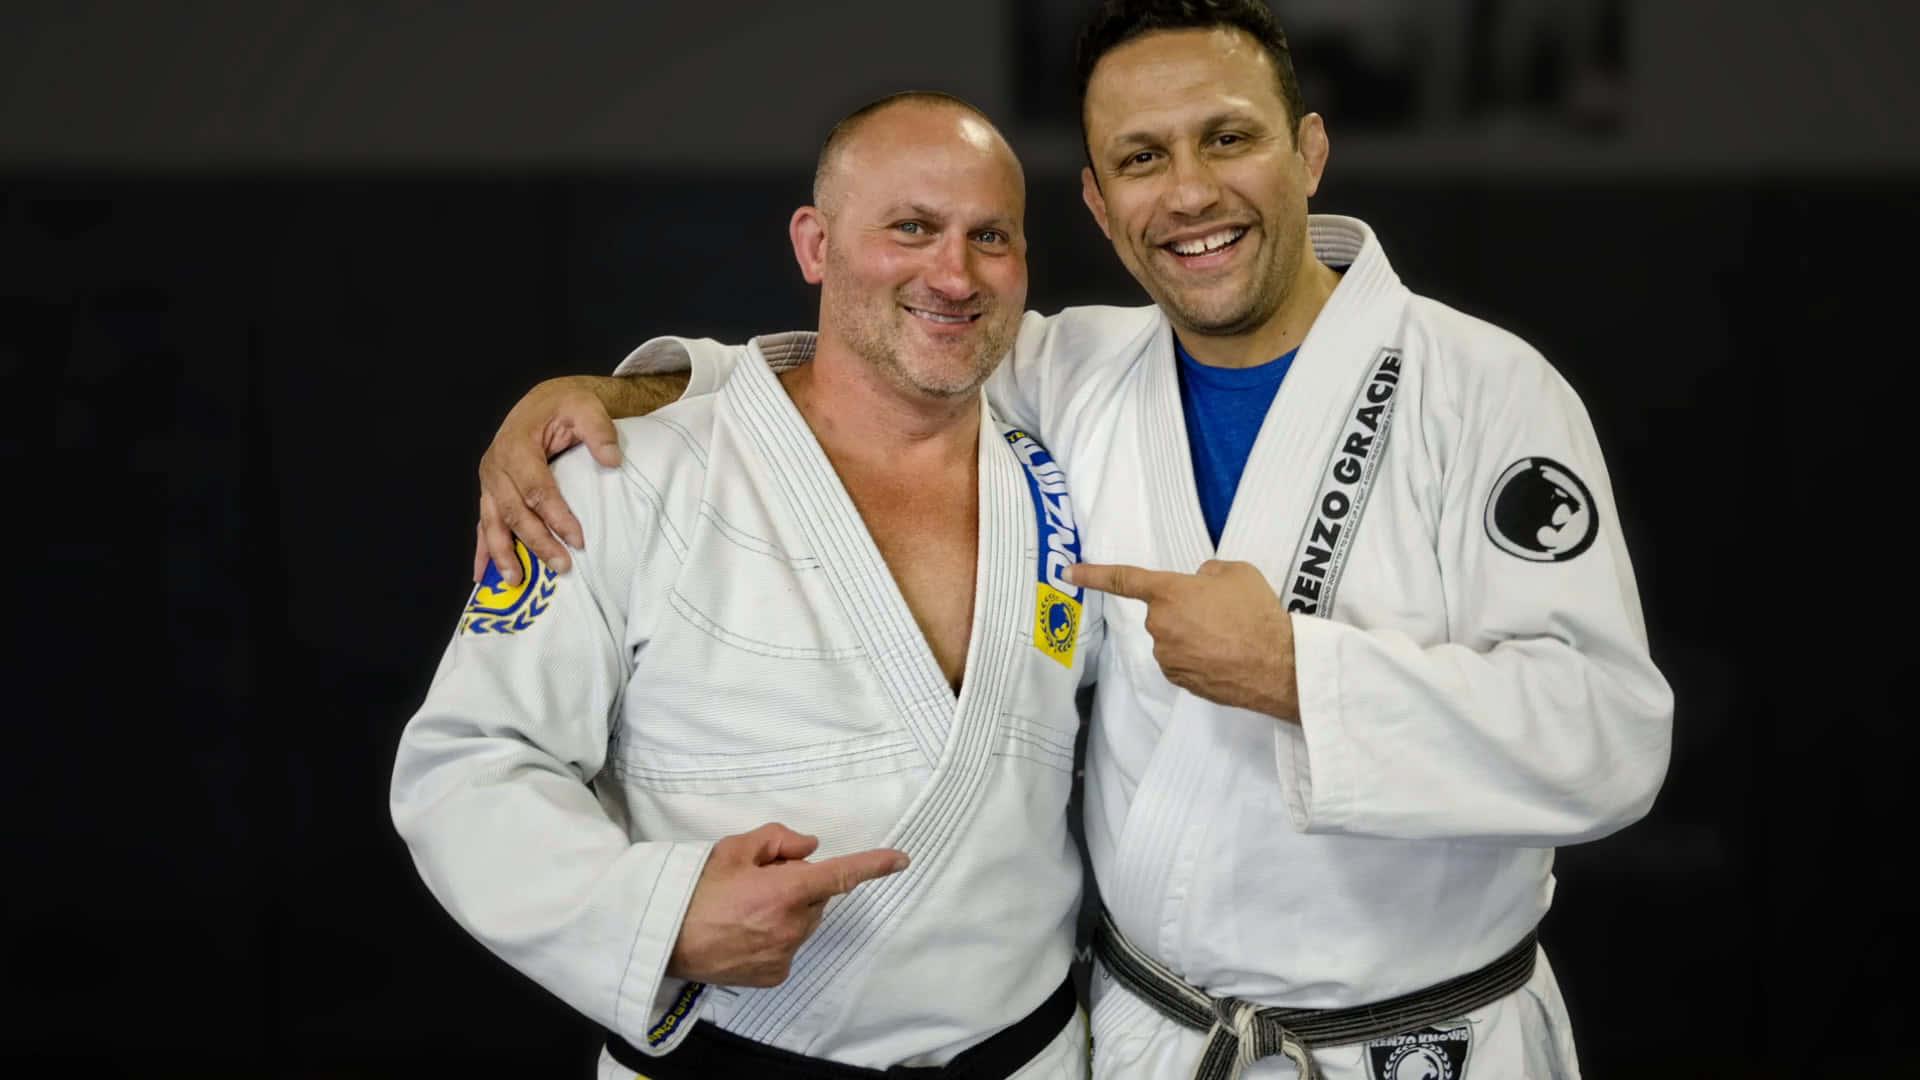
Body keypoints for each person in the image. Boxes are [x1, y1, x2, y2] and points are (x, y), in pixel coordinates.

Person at [467, 2, 1674, 1077]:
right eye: (1142, 158)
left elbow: (1611, 739)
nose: (1189, 192)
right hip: (1146, 1037)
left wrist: (1300, 674)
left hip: (1416, 1045)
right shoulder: (1079, 369)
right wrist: (630, 392)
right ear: (1101, 204)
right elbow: (875, 359)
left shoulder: (1488, 394)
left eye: (1230, 137)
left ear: (1308, 152)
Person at [392, 92, 1102, 1080]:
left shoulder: (1065, 473)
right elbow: (466, 765)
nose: (954, 272)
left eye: (993, 237)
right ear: (815, 244)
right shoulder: (628, 475)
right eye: (911, 228)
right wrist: (664, 913)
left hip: (1028, 1058)